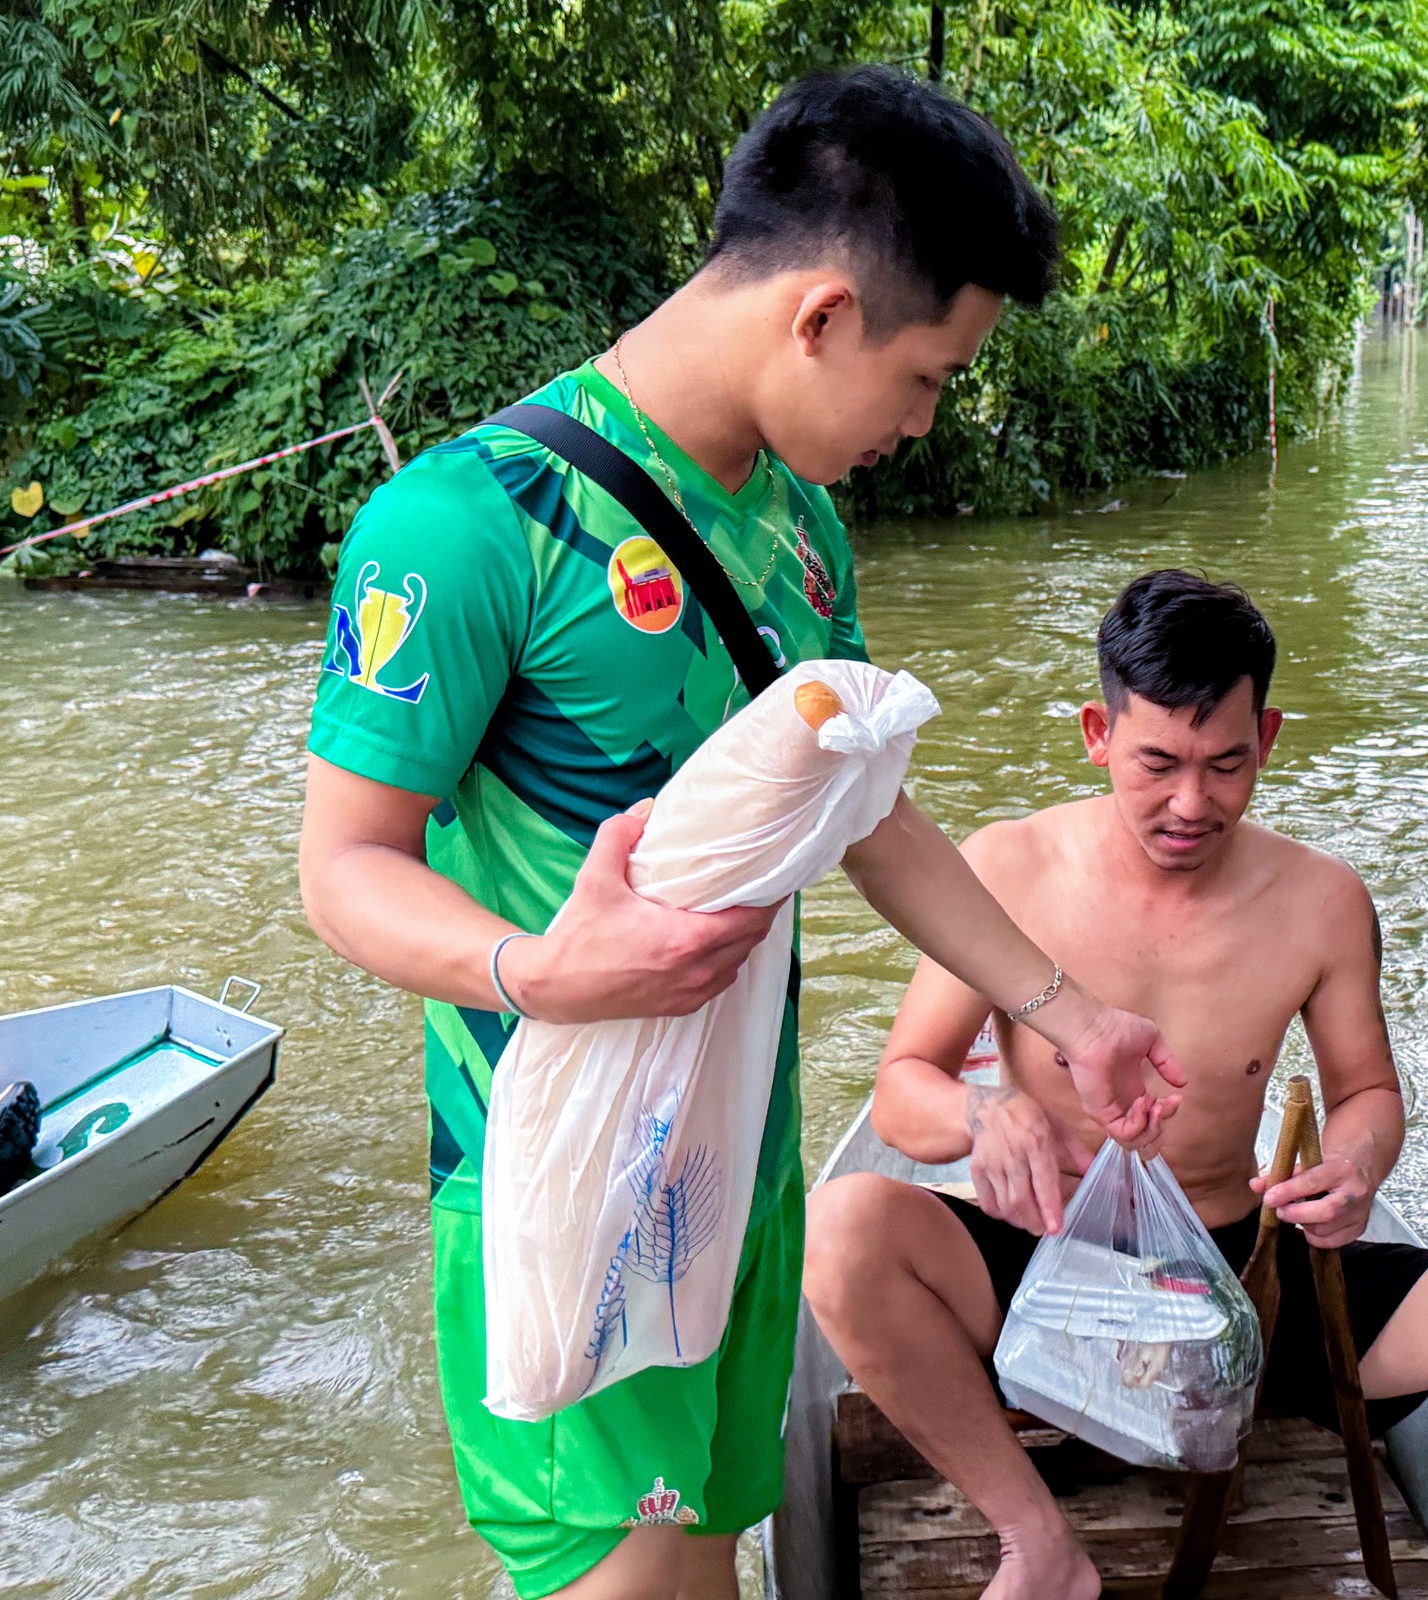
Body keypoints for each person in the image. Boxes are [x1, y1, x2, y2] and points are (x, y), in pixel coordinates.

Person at [298, 69, 1179, 1600]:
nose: (923, 421)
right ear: (823, 315)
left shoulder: (800, 526)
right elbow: (344, 869)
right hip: (561, 1179)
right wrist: (535, 967)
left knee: (709, 1558)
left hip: (736, 1157)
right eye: (927, 377)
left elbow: (867, 818)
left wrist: (1071, 1013)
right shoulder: (465, 524)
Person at [805, 571, 1428, 1600]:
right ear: (1097, 731)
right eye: (1158, 763)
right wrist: (982, 1113)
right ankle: (1038, 1544)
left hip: (1246, 1284)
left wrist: (1356, 1169)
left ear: (1267, 738)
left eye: (1227, 764)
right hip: (1054, 1275)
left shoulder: (1319, 899)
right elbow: (899, 1090)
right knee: (839, 1232)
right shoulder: (1006, 868)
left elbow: (1367, 1092)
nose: (1192, 803)